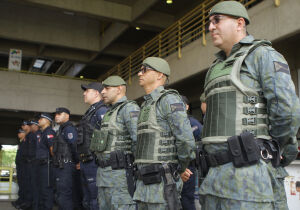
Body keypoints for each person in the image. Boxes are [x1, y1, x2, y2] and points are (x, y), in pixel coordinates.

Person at [198, 1, 300, 209]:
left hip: (249, 179)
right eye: (209, 22)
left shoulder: (262, 55)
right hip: (213, 180)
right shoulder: (214, 68)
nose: (210, 28)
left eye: (217, 21)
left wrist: (279, 151)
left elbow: (286, 111)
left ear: (239, 23)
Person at [133, 57, 195, 210]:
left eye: (144, 70)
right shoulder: (146, 105)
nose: (139, 73)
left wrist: (179, 169)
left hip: (162, 186)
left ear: (160, 75)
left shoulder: (169, 100)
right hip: (143, 186)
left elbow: (186, 140)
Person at [90, 75, 140, 209]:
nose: (102, 92)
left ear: (119, 89)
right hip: (104, 176)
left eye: (107, 88)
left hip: (120, 177)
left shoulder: (129, 108)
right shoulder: (109, 113)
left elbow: (138, 141)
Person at [77, 82, 108, 210]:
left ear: (96, 93)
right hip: (86, 161)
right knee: (87, 199)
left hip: (95, 163)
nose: (84, 93)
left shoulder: (102, 111)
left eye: (87, 91)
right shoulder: (90, 112)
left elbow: (107, 137)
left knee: (95, 199)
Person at [180, 95, 203, 210]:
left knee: (187, 198)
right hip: (176, 167)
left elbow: (202, 142)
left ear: (187, 107)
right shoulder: (173, 123)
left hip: (189, 166)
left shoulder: (193, 123)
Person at [53, 107, 78, 210]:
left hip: (66, 166)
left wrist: (77, 161)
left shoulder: (69, 129)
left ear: (67, 115)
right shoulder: (61, 129)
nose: (56, 116)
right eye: (56, 114)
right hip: (61, 166)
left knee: (64, 195)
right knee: (60, 195)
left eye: (59, 114)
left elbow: (75, 147)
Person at [36, 113, 56, 210]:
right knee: (41, 190)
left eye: (41, 118)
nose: (39, 120)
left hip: (47, 165)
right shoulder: (42, 132)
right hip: (41, 165)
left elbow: (52, 150)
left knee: (47, 190)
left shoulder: (49, 132)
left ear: (47, 121)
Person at [12, 128, 26, 209]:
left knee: (25, 185)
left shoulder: (25, 142)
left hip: (24, 167)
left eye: (21, 132)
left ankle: (24, 202)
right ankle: (21, 200)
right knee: (21, 184)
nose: (19, 134)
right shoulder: (21, 143)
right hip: (20, 167)